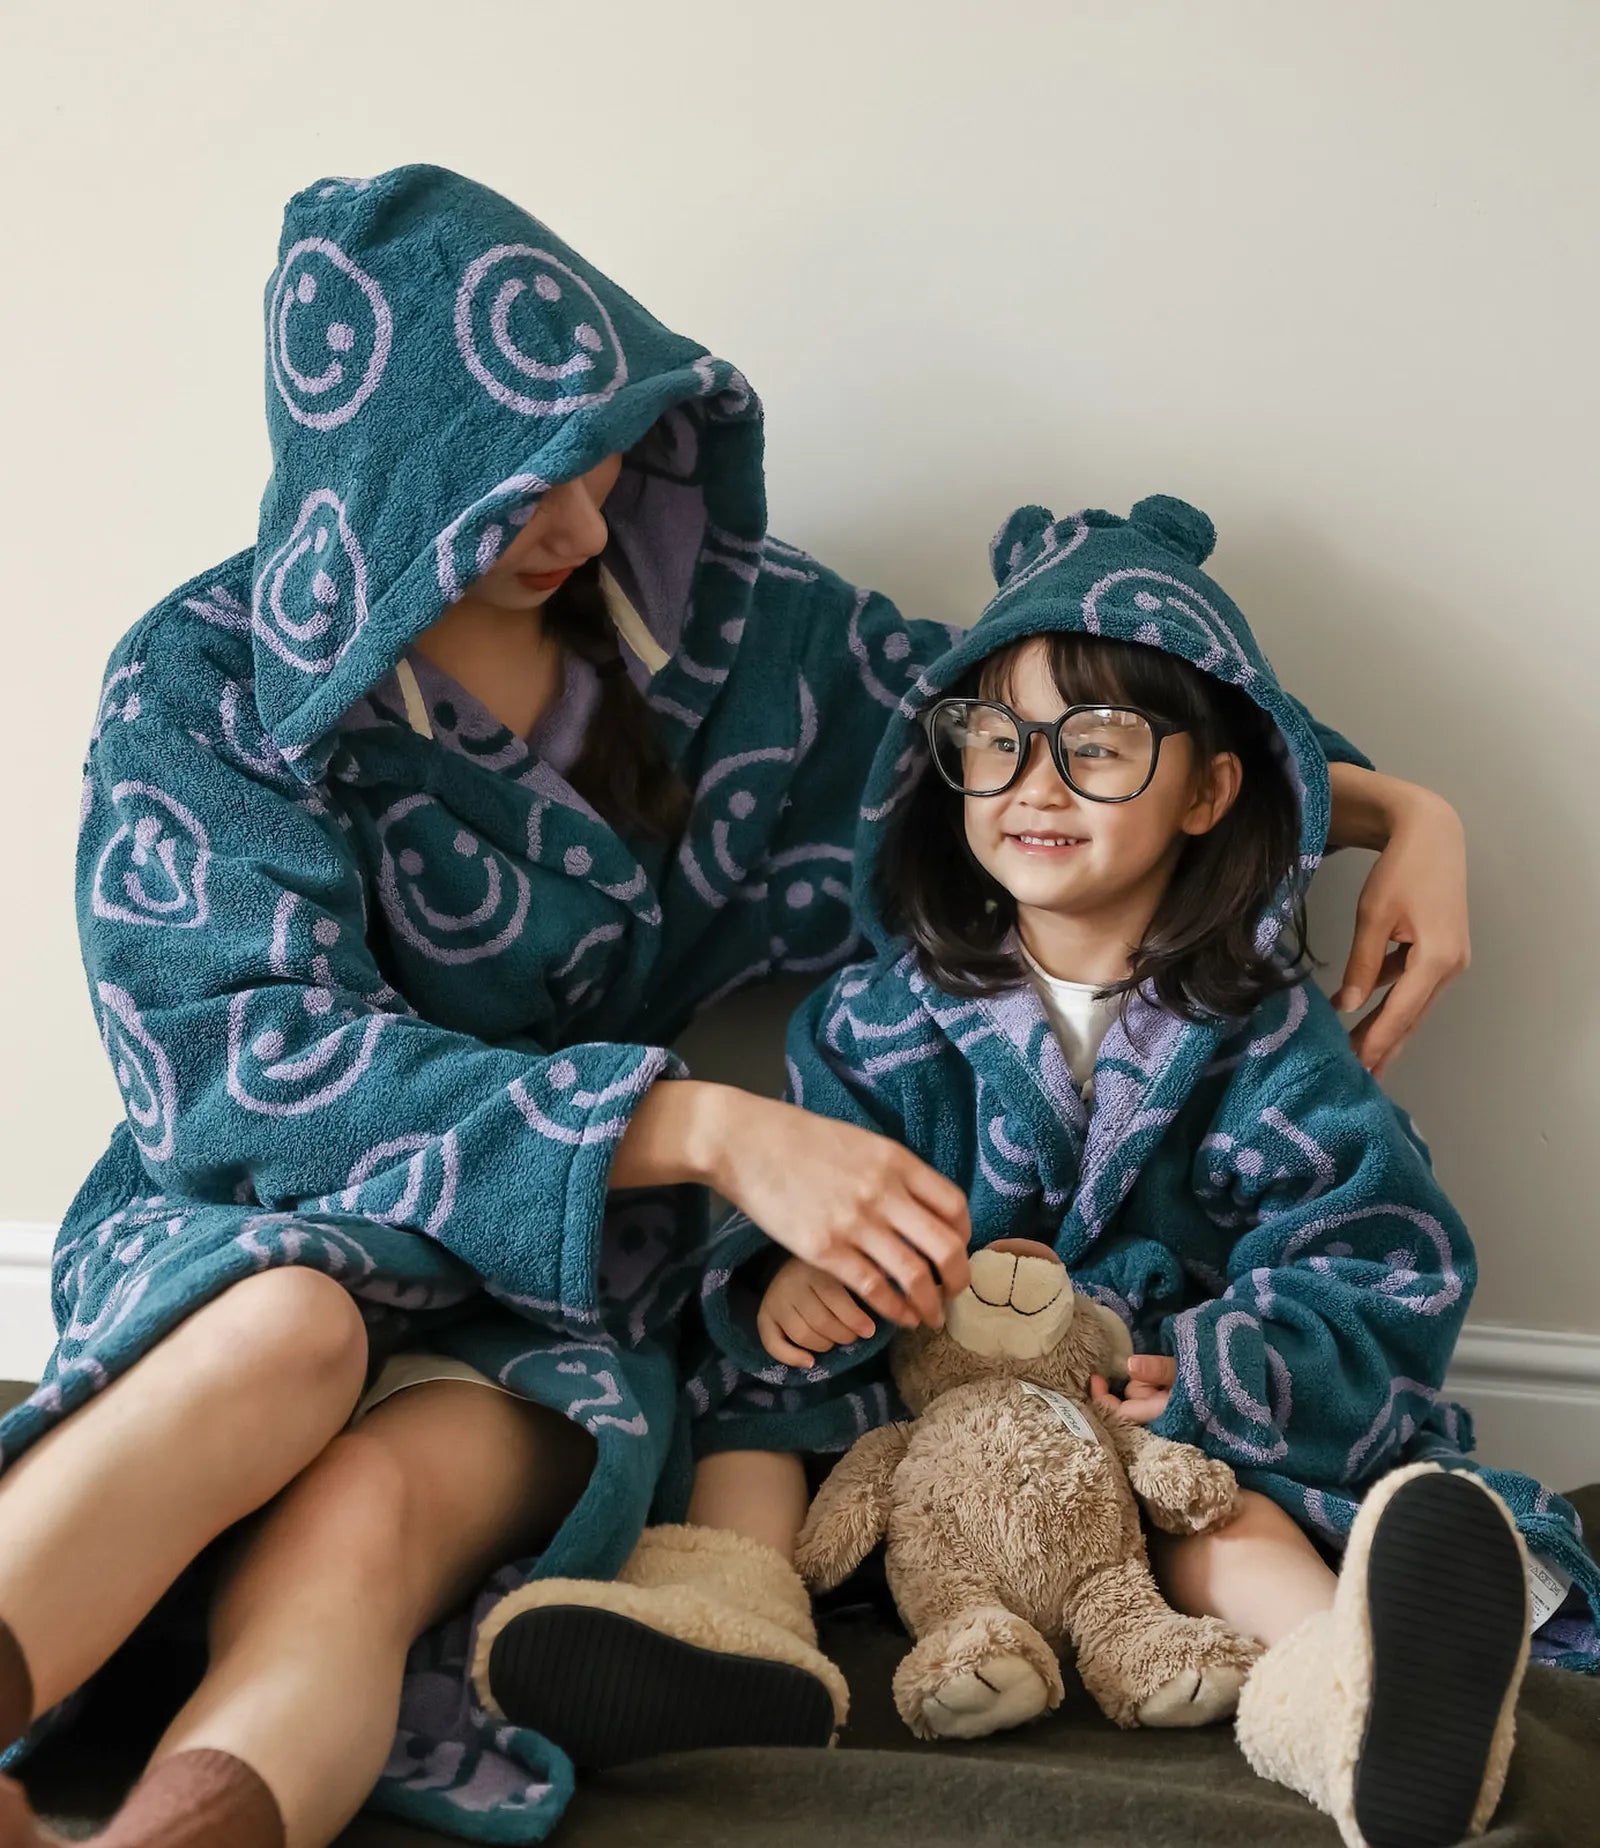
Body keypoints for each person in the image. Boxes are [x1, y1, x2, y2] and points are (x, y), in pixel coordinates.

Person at [0, 161, 1475, 1848]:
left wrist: (1402, 814)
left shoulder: (717, 638)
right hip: (260, 1240)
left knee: (366, 1525)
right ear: (378, 484)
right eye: (502, 504)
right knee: (296, 1332)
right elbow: (232, 1071)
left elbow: (1060, 721)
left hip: (546, 1312)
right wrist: (701, 1128)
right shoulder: (204, 676)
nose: (571, 530)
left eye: (592, 460)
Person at [488, 497, 1597, 1848]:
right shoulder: (874, 1023)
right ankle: (731, 1621)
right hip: (922, 1432)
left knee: (1214, 1506)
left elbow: (1372, 1250)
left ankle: (1358, 1694)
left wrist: (1211, 1367)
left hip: (1145, 1419)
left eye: (1103, 745)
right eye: (997, 743)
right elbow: (800, 1214)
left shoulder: (1264, 1035)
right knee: (756, 1418)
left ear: (1208, 789)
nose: (1037, 783)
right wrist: (790, 1287)